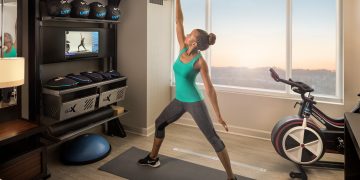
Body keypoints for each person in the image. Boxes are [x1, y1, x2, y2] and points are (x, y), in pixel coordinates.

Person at [137, 0, 237, 179]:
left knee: (213, 138)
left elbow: (210, 89)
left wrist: (219, 115)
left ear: (195, 42)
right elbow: (178, 21)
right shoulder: (182, 48)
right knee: (159, 122)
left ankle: (231, 177)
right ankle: (153, 158)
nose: (187, 33)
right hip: (179, 101)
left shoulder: (200, 62)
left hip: (193, 102)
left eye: (190, 34)